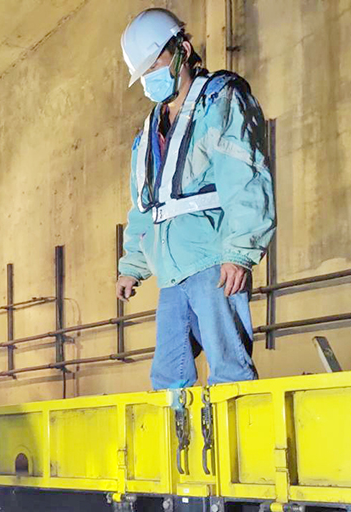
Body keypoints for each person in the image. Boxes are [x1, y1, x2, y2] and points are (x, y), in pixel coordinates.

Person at [115, 8, 275, 389]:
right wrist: (132, 265)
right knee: (169, 377)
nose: (150, 78)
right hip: (171, 272)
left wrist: (240, 251)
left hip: (213, 261)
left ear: (183, 50)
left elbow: (246, 177)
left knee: (229, 369)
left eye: (157, 64)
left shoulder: (219, 102)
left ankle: (239, 444)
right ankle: (176, 449)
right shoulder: (150, 132)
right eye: (145, 72)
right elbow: (145, 206)